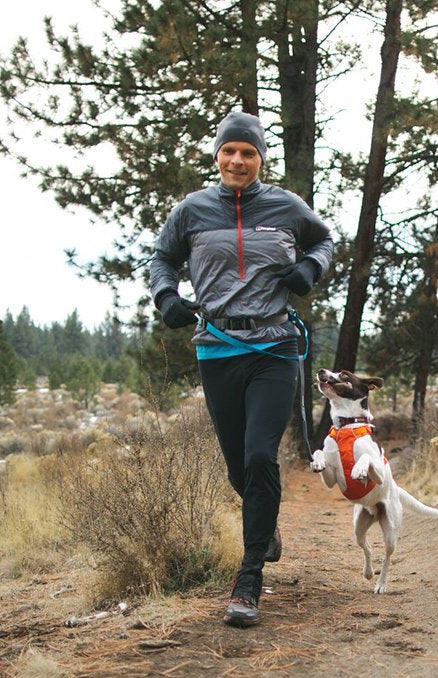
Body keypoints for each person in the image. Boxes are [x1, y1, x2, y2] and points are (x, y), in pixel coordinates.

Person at [149, 111, 334, 627]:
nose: (237, 160)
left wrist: (308, 268)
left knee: (259, 456)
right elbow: (162, 259)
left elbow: (324, 240)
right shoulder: (192, 210)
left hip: (274, 346)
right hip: (218, 347)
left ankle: (248, 580)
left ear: (259, 159)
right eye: (229, 151)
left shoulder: (285, 206)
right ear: (217, 156)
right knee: (238, 467)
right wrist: (167, 296)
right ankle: (264, 521)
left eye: (247, 152)